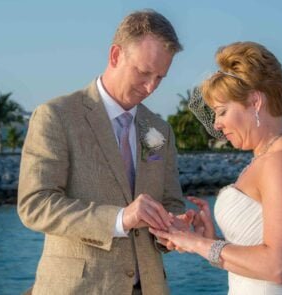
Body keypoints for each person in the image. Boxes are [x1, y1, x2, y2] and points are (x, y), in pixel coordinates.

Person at [17, 10, 188, 295]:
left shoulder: (160, 130)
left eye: (160, 77)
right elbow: (35, 205)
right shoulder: (56, 116)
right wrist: (120, 219)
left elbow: (171, 201)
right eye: (144, 72)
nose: (151, 87)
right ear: (115, 55)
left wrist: (177, 226)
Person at [149, 41, 282, 294]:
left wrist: (196, 243)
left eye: (221, 111)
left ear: (254, 101)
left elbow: (280, 266)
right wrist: (209, 242)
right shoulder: (269, 158)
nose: (217, 124)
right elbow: (258, 262)